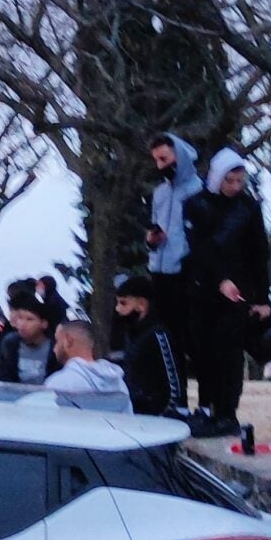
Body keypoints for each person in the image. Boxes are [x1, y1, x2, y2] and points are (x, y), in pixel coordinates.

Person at [183, 147, 271, 438]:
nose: (234, 187)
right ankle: (207, 407)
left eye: (238, 181)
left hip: (237, 295)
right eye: (229, 180)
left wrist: (262, 298)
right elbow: (199, 248)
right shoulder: (197, 205)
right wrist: (219, 278)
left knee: (230, 355)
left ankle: (226, 412)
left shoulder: (248, 208)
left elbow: (260, 253)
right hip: (204, 292)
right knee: (204, 353)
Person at [143, 134, 201, 399]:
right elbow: (155, 226)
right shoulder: (160, 193)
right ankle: (170, 397)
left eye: (164, 159)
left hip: (186, 275)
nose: (160, 166)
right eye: (156, 160)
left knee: (186, 340)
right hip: (159, 272)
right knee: (164, 339)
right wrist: (151, 240)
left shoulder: (198, 191)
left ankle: (193, 399)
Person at [111, 275, 184, 420]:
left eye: (123, 303)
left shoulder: (157, 335)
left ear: (141, 305)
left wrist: (161, 415)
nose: (118, 309)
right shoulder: (132, 334)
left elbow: (173, 386)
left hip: (154, 417)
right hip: (135, 412)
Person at [43, 320, 132, 410]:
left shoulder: (59, 384)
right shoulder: (119, 383)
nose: (54, 349)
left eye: (57, 341)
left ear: (68, 341)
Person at [0, 296, 61, 385]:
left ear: (44, 324)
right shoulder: (10, 344)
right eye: (20, 318)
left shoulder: (55, 349)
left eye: (30, 319)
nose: (22, 324)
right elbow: (3, 375)